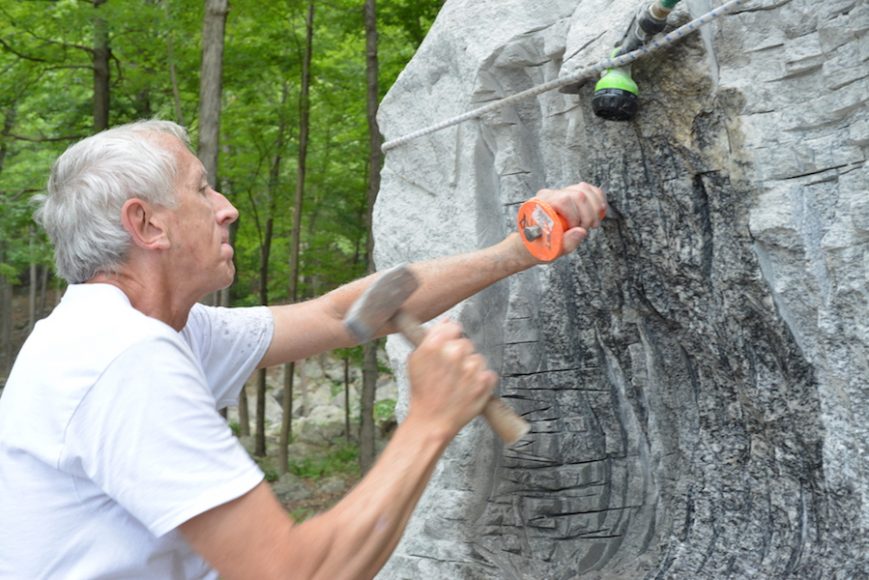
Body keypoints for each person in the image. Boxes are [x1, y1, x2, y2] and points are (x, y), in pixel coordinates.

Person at [0, 120, 606, 579]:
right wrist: (431, 420)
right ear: (149, 225)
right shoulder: (123, 359)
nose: (226, 209)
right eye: (203, 190)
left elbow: (338, 314)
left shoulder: (158, 329)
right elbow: (294, 573)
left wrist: (518, 249)